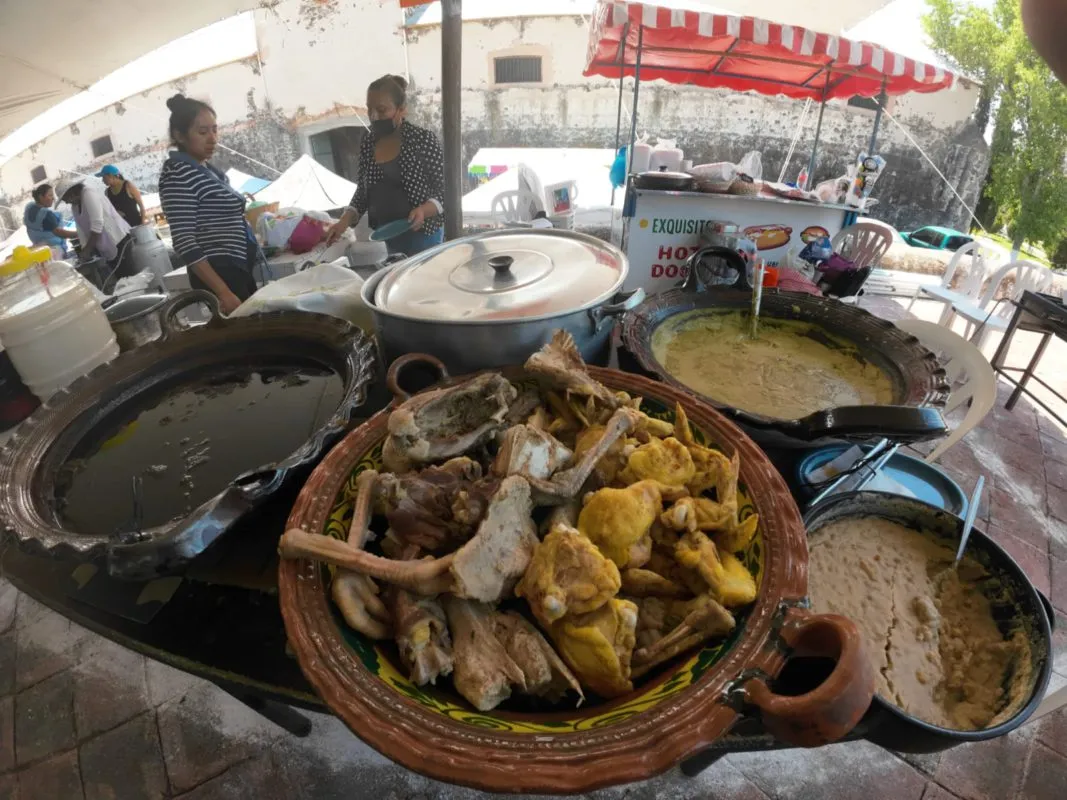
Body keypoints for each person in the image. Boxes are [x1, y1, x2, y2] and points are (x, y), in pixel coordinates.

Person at [158, 94, 259, 314]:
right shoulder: (178, 174)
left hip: (235, 269)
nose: (212, 138)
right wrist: (223, 292)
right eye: (202, 132)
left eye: (214, 129)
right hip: (221, 275)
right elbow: (184, 241)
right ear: (180, 136)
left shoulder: (205, 170)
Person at [325, 75, 444, 256]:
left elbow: (445, 191)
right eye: (370, 109)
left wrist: (423, 211)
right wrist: (343, 222)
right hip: (388, 235)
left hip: (423, 235)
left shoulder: (422, 140)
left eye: (381, 110)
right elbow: (363, 192)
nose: (374, 116)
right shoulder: (368, 142)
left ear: (401, 110)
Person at [53, 176, 135, 285]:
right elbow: (81, 231)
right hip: (107, 246)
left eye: (65, 199)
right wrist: (83, 252)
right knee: (122, 280)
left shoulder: (88, 193)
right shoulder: (75, 206)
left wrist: (87, 249)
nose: (67, 203)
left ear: (71, 193)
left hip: (120, 239)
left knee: (131, 278)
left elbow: (97, 224)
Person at [23, 183, 78, 256]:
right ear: (41, 197)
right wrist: (79, 234)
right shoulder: (47, 215)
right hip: (53, 251)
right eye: (50, 195)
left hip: (38, 249)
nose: (53, 198)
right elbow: (60, 233)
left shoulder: (29, 206)